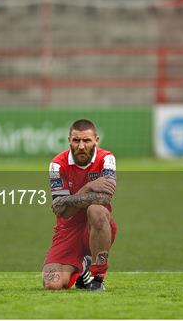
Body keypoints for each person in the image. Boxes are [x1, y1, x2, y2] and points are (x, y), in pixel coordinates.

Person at [42, 119, 118, 292]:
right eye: (76, 140)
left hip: (97, 225)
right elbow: (63, 212)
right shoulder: (57, 165)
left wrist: (67, 200)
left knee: (96, 210)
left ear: (96, 141)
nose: (81, 146)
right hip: (67, 231)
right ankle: (83, 268)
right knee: (52, 284)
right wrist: (88, 187)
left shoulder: (107, 159)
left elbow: (104, 198)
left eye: (87, 140)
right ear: (69, 140)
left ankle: (98, 278)